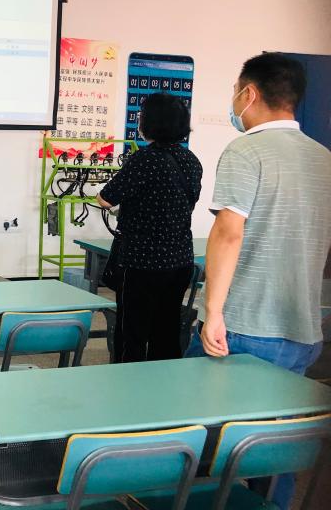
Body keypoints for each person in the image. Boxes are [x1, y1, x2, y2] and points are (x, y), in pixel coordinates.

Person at [186, 52, 331, 510]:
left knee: (203, 440)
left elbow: (229, 233)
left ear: (249, 93)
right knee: (277, 444)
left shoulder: (246, 150)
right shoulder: (323, 158)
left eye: (235, 91)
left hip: (245, 326)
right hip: (303, 330)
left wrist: (213, 312)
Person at [98, 93, 202, 363]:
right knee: (166, 331)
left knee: (131, 333)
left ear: (150, 122)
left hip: (142, 261)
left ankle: (128, 381)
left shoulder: (144, 159)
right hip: (180, 260)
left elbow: (106, 198)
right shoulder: (191, 161)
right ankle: (163, 382)